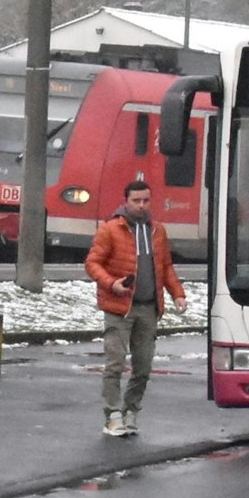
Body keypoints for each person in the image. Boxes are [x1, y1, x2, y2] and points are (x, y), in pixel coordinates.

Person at [85, 179, 188, 437]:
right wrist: (112, 283)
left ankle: (131, 411)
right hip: (119, 308)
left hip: (148, 308)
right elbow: (92, 263)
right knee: (115, 364)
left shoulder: (157, 231)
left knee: (143, 367)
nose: (141, 205)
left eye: (146, 201)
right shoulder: (111, 229)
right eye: (136, 201)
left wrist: (178, 294)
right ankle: (112, 415)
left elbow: (165, 266)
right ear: (126, 201)